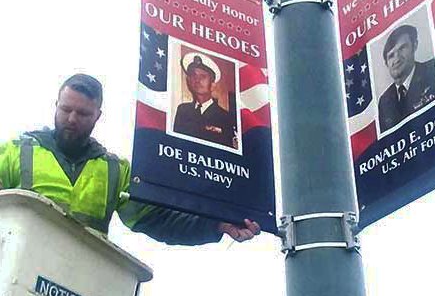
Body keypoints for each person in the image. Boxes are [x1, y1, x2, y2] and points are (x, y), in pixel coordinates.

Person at [0, 74, 259, 245]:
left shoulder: (115, 170)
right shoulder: (15, 152)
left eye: (83, 113)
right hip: (14, 275)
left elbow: (159, 220)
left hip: (77, 285)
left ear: (98, 116)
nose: (71, 119)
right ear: (55, 104)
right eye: (66, 109)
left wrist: (217, 225)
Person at [378, 24, 435, 132]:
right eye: (391, 55)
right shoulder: (384, 101)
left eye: (402, 48)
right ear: (386, 64)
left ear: (414, 46)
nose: (396, 59)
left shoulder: (433, 70)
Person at [173, 53, 234, 147]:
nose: (197, 80)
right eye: (194, 76)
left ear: (212, 85)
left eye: (203, 76)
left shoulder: (225, 117)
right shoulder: (183, 110)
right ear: (189, 81)